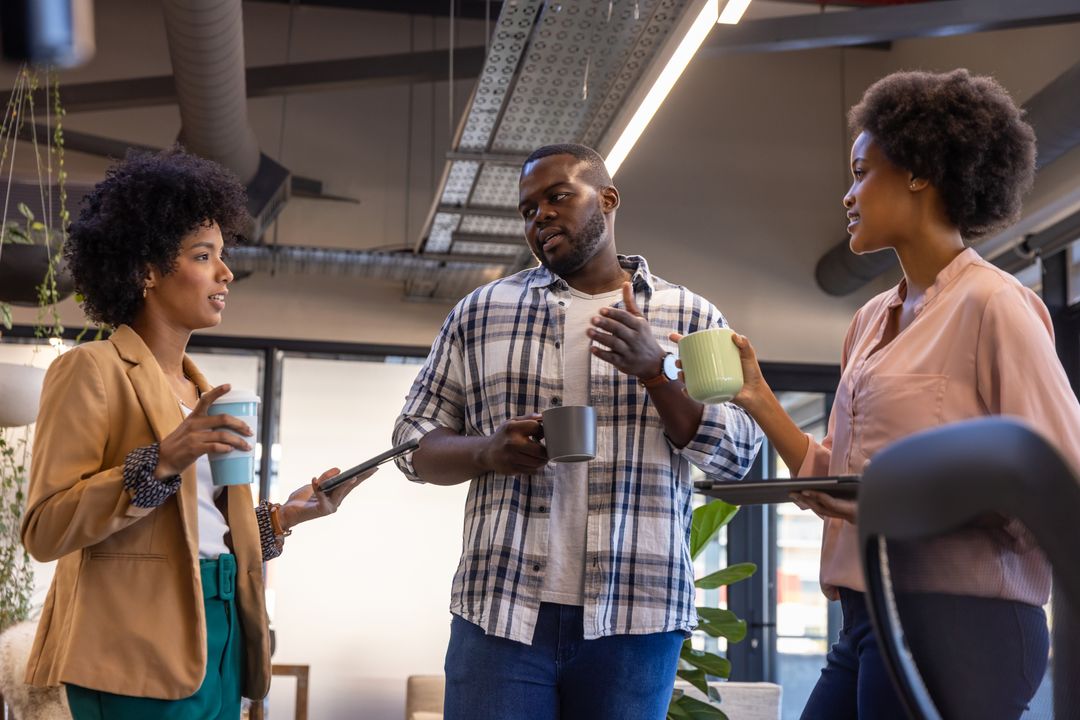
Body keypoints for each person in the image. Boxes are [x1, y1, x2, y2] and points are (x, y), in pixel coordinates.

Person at [698, 69, 1080, 719]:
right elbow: (844, 483)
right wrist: (758, 397)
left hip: (965, 624)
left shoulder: (996, 307)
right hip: (865, 617)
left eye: (860, 172)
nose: (847, 195)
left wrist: (894, 504)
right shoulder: (871, 321)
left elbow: (1058, 486)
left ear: (919, 173)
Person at [392, 143, 762, 720]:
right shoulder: (480, 312)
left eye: (557, 196)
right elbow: (412, 445)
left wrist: (658, 373)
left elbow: (739, 455)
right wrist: (487, 451)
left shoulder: (690, 316)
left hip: (637, 615)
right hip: (500, 611)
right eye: (527, 209)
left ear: (607, 200)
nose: (539, 216)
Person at [20, 148, 375, 720]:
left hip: (223, 627)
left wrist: (285, 516)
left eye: (222, 256)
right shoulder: (92, 369)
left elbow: (198, 532)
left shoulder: (198, 387)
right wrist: (161, 460)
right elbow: (44, 529)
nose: (226, 272)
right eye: (204, 256)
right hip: (134, 646)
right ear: (148, 270)